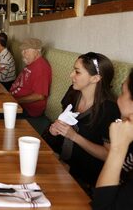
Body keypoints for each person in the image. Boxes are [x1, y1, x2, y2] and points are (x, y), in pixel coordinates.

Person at [48, 52, 120, 192]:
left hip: (84, 176)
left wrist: (74, 136)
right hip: (58, 159)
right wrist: (54, 129)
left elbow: (109, 155)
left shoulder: (109, 109)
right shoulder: (74, 93)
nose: (71, 75)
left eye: (77, 72)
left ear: (95, 78)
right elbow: (61, 124)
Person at [93, 69, 133, 210]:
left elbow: (102, 206)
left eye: (123, 92)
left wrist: (117, 149)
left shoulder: (107, 109)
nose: (118, 99)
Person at [10, 38, 52, 117]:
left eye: (26, 50)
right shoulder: (32, 63)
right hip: (16, 102)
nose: (23, 53)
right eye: (22, 50)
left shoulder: (41, 67)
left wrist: (15, 101)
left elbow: (39, 96)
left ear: (37, 51)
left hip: (28, 110)